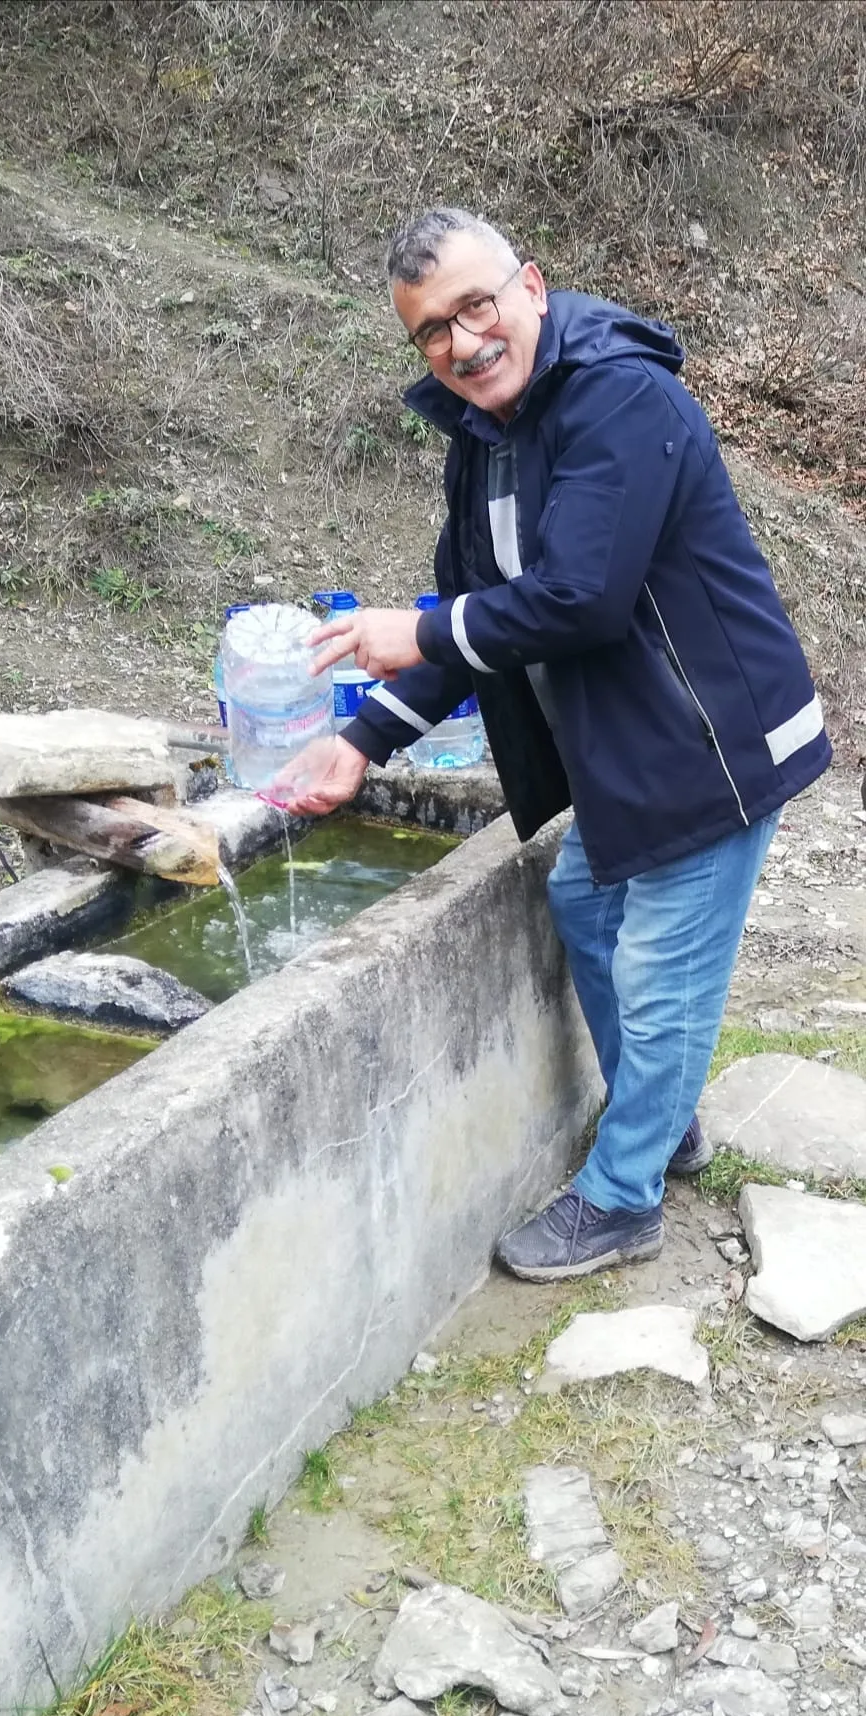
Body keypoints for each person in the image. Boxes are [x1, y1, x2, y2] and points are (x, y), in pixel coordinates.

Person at [273, 208, 831, 1282]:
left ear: (529, 286)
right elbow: (477, 610)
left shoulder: (618, 396)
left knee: (660, 970)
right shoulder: (487, 439)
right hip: (632, 747)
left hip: (709, 739)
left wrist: (420, 630)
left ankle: (622, 1198)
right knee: (582, 904)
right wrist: (363, 740)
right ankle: (659, 1127)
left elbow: (579, 601)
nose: (461, 342)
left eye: (475, 306)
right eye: (430, 330)